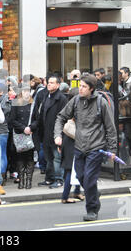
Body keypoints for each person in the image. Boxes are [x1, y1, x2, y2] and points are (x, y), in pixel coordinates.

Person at [54, 74, 117, 221]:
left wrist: (112, 150)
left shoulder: (101, 103)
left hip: (96, 147)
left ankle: (92, 210)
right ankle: (93, 193)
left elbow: (110, 128)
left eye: (84, 87)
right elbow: (60, 117)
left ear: (92, 89)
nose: (80, 89)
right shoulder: (75, 101)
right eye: (79, 85)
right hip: (79, 147)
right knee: (82, 177)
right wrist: (58, 135)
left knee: (89, 179)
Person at [31, 75, 68, 189]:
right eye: (48, 82)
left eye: (52, 83)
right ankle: (49, 178)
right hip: (45, 132)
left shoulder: (61, 98)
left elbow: (64, 117)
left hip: (56, 133)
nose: (49, 84)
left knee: (57, 157)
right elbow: (40, 114)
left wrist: (59, 134)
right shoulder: (46, 96)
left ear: (58, 85)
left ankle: (58, 179)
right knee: (48, 158)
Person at [9, 86, 35, 189]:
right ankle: (21, 180)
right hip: (20, 133)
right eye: (24, 91)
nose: (26, 93)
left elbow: (37, 118)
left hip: (31, 134)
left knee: (30, 158)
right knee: (19, 158)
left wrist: (31, 127)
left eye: (28, 91)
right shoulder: (16, 103)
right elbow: (12, 119)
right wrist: (23, 128)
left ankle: (29, 181)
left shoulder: (33, 104)